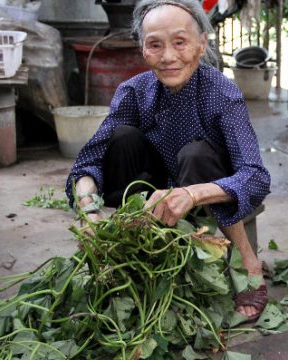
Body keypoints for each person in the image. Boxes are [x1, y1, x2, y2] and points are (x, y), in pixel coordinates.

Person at [65, 0, 271, 321]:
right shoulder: (133, 91)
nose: (168, 57)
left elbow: (255, 176)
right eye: (155, 45)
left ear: (201, 44)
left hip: (211, 190)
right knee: (122, 138)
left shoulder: (222, 93)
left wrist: (192, 193)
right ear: (142, 49)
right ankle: (133, 252)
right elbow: (90, 161)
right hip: (155, 198)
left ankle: (248, 261)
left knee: (196, 153)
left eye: (180, 42)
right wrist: (88, 206)